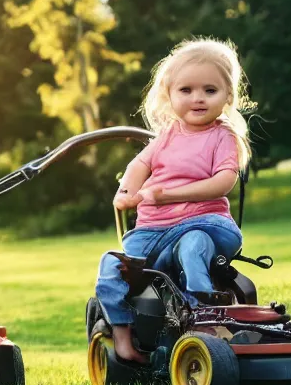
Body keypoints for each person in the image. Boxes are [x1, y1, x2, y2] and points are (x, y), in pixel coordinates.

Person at [95, 38, 253, 364]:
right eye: (186, 90)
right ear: (169, 94)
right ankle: (123, 338)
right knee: (112, 265)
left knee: (193, 245)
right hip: (154, 232)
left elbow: (224, 182)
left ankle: (203, 320)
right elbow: (139, 165)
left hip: (204, 223)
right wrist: (126, 192)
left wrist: (167, 195)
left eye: (210, 91)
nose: (197, 98)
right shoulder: (167, 135)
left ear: (227, 97)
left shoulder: (221, 136)